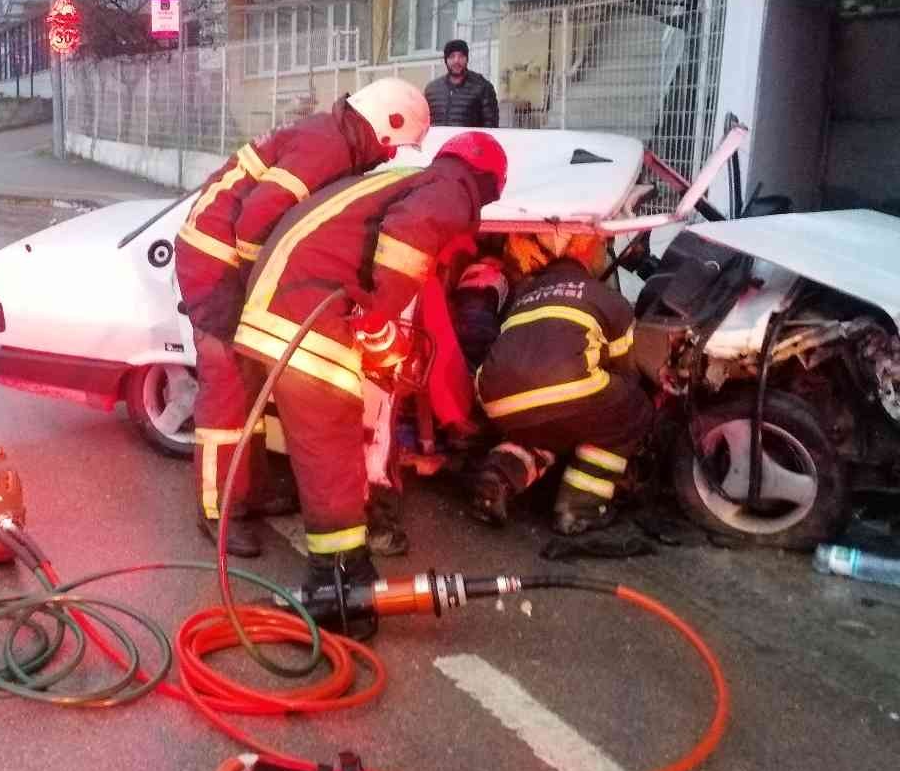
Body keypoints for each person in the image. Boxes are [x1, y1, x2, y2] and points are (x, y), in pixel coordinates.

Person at [233, 131, 509, 618]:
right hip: (303, 316)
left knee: (329, 451)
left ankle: (348, 573)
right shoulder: (454, 187)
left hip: (287, 305)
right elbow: (409, 235)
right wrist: (382, 317)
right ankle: (333, 584)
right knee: (332, 453)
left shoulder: (403, 179)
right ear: (488, 183)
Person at [173, 79, 431, 558]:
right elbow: (256, 221)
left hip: (224, 259)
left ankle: (249, 489)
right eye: (394, 146)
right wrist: (263, 292)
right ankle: (218, 510)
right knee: (229, 390)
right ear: (384, 125)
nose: (392, 158)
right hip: (220, 264)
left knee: (252, 385)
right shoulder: (328, 147)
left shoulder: (335, 139)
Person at [470, 233, 652, 535]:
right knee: (632, 410)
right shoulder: (606, 297)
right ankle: (579, 508)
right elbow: (628, 369)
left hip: (495, 398)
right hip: (565, 388)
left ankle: (498, 477)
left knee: (545, 429)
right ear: (587, 262)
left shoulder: (524, 296)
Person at [424, 39, 499, 128]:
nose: (456, 60)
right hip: (439, 142)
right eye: (452, 56)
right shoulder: (432, 90)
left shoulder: (483, 87)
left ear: (467, 59)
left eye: (461, 56)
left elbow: (491, 125)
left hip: (470, 141)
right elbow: (422, 122)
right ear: (446, 60)